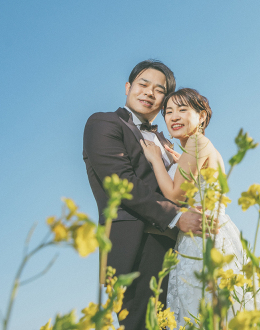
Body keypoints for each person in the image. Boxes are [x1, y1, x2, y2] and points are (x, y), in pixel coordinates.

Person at [82, 60, 217, 330]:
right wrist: (177, 218)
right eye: (143, 84)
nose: (149, 93)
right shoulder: (103, 123)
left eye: (159, 90)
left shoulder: (171, 143)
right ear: (128, 87)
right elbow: (121, 184)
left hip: (183, 248)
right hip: (138, 246)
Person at [141, 88, 247, 326]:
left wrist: (157, 160)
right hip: (213, 231)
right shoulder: (197, 147)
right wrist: (180, 163)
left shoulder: (197, 143)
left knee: (199, 309)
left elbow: (176, 194)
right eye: (168, 111)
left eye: (182, 109)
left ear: (201, 117)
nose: (174, 116)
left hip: (201, 235)